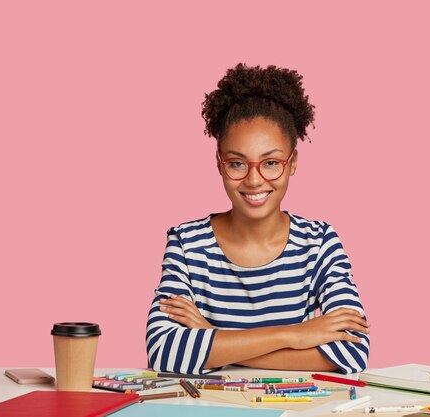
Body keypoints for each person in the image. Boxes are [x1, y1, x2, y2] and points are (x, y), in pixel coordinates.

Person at [146, 63, 370, 374]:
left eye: (271, 162)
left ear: (292, 163)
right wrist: (293, 334)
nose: (254, 180)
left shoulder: (318, 243)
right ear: (219, 163)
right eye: (237, 163)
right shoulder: (187, 244)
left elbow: (352, 351)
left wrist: (213, 339)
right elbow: (164, 350)